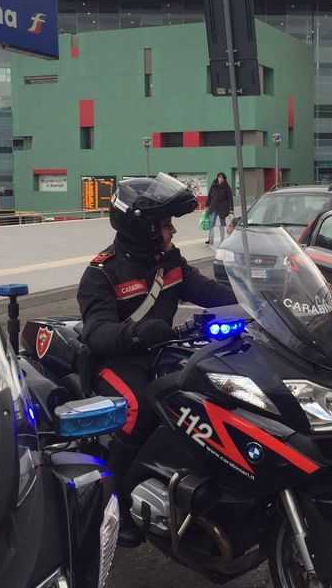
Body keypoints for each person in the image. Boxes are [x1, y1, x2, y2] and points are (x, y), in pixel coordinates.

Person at [76, 173, 236, 546]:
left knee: (211, 394)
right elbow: (96, 332)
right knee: (140, 408)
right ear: (143, 228)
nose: (172, 232)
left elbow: (209, 291)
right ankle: (111, 503)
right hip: (116, 361)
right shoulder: (102, 271)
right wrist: (135, 334)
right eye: (165, 225)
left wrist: (258, 301)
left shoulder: (169, 262)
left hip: (164, 352)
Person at [204, 171, 233, 246]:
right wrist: (207, 205)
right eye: (219, 177)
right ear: (217, 178)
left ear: (224, 179)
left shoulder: (226, 186)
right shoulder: (214, 185)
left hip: (222, 208)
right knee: (211, 223)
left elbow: (230, 198)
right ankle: (210, 239)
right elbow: (210, 195)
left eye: (221, 177)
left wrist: (231, 208)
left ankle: (222, 239)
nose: (220, 179)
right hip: (213, 206)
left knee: (222, 224)